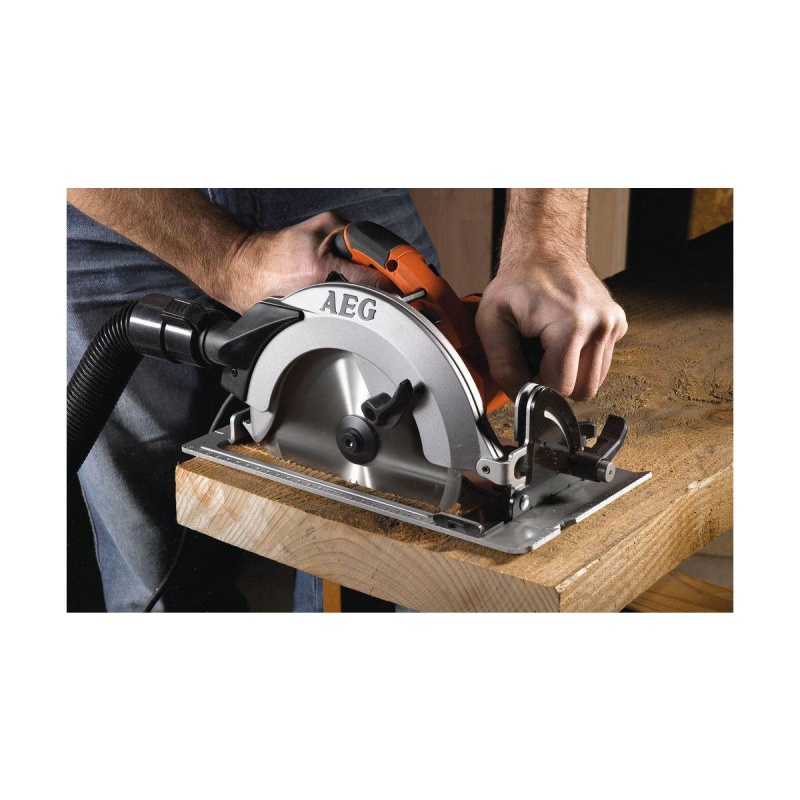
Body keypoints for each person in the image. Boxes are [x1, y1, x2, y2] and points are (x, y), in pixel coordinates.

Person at [67, 188, 627, 612]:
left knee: (411, 577)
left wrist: (546, 240)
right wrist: (231, 257)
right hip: (120, 207)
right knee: (157, 576)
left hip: (334, 194)